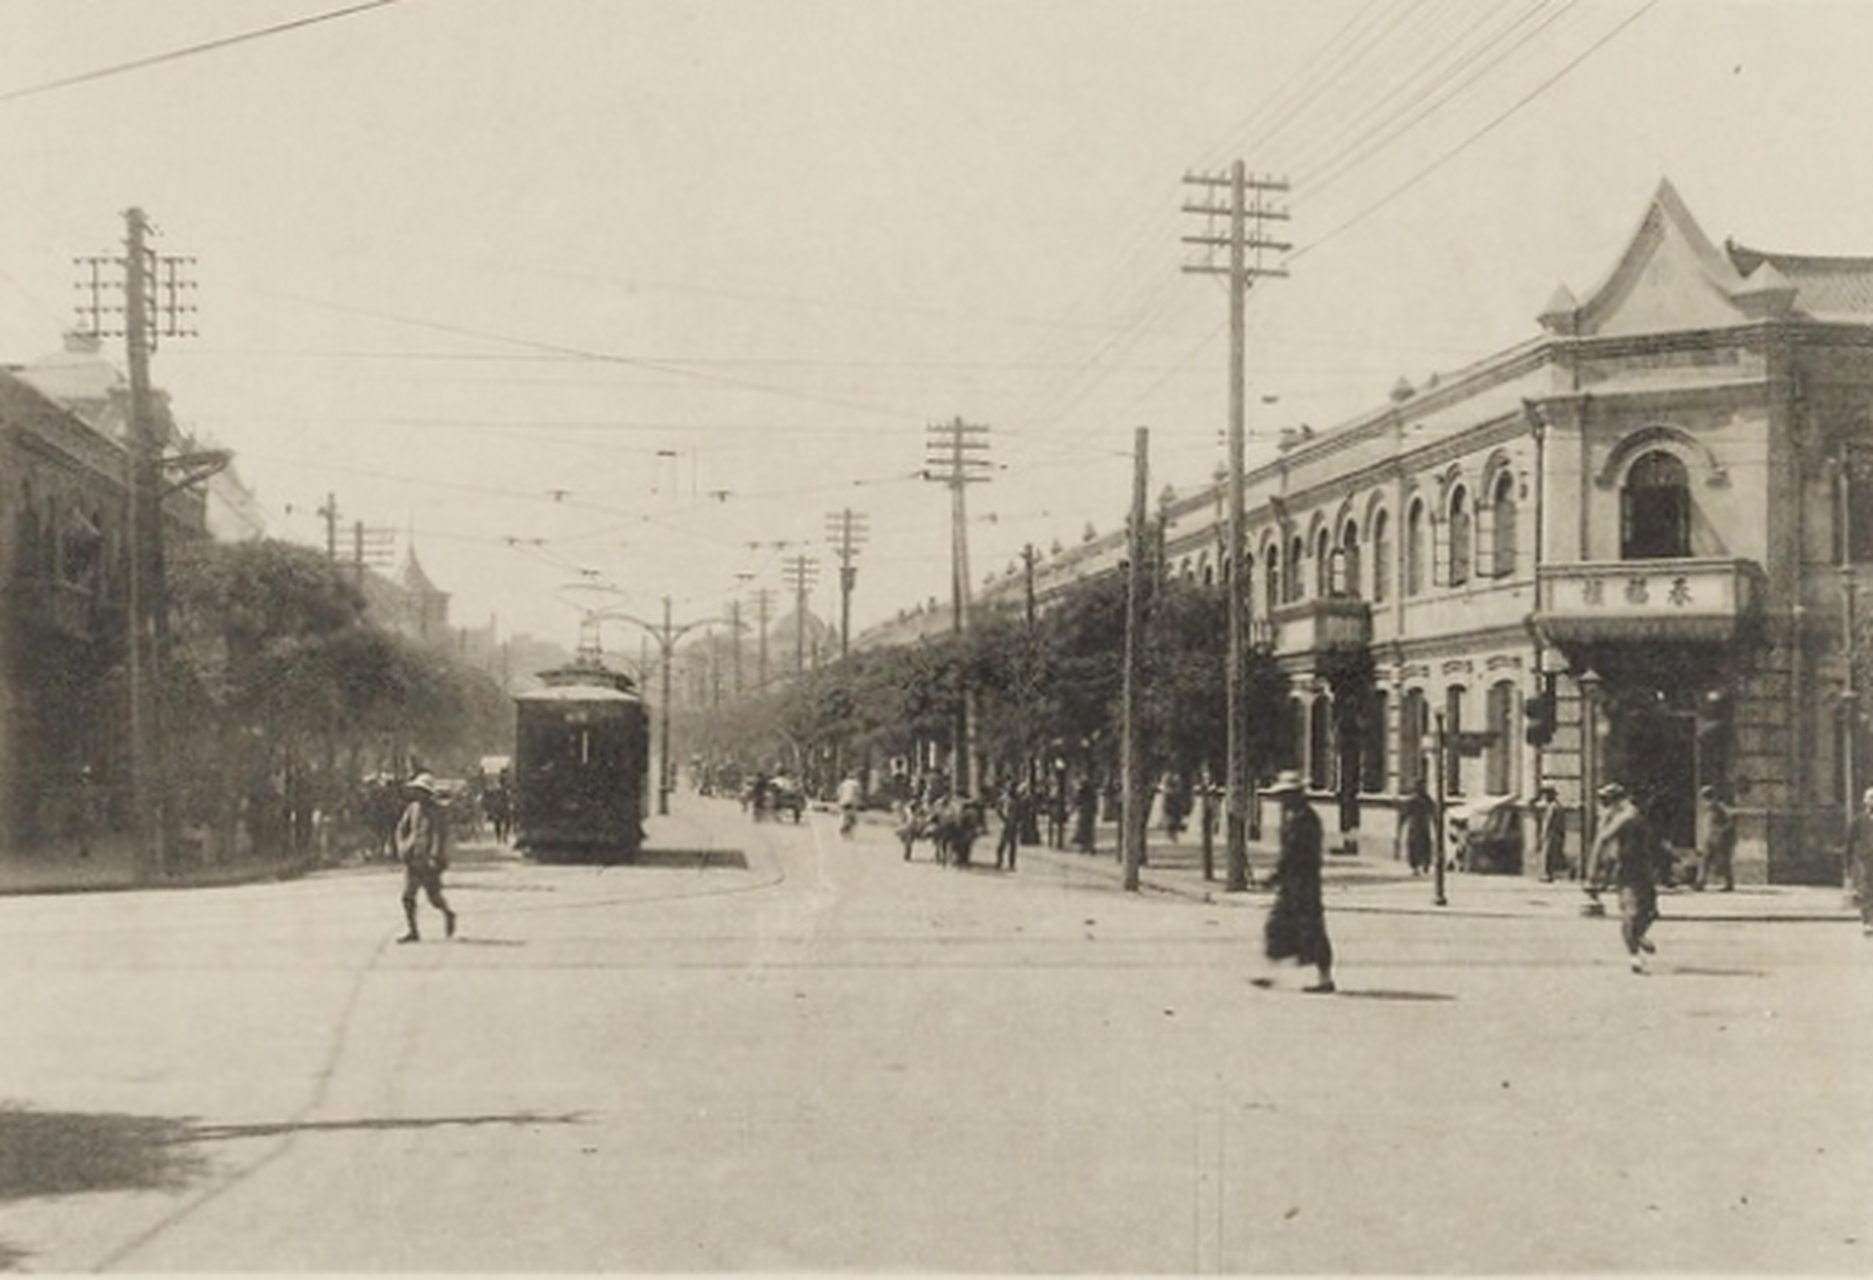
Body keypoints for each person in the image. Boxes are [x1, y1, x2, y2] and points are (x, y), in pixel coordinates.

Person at [1257, 770, 1335, 994]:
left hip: (1303, 883)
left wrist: (1275, 877)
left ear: (1296, 795)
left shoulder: (1304, 820)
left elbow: (1294, 855)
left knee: (1312, 930)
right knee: (1278, 927)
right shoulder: (1298, 817)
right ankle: (1269, 973)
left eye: (1286, 795)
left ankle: (1325, 979)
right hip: (1296, 882)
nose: (1282, 800)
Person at [1587, 783, 1666, 973]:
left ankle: (1637, 937)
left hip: (1642, 868)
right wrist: (1594, 874)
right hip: (1627, 869)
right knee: (1631, 912)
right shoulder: (1625, 817)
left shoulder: (1634, 816)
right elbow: (1603, 840)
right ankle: (1634, 956)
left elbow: (1649, 843)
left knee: (1651, 912)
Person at [394, 773, 456, 944]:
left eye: (421, 791)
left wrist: (435, 856)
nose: (418, 794)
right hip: (412, 857)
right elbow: (401, 828)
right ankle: (413, 931)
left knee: (433, 898)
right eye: (416, 790)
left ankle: (447, 913)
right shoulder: (412, 808)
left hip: (430, 861)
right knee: (407, 896)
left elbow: (439, 835)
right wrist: (402, 845)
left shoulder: (438, 811)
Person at [1694, 784, 1736, 892]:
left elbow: (1730, 821)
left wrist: (1722, 831)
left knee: (1723, 861)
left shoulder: (1720, 808)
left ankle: (1729, 883)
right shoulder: (1708, 809)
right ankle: (1700, 882)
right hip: (1710, 838)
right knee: (1705, 860)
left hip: (1720, 839)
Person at [1396, 778, 1437, 876]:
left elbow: (1434, 813)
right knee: (1415, 846)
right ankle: (1416, 867)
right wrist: (1400, 828)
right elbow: (1403, 815)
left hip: (1422, 826)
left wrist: (1436, 826)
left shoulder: (1427, 800)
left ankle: (1424, 865)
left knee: (1424, 846)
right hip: (1416, 826)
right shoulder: (1414, 801)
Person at [1848, 786, 1873, 937]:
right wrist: (1848, 866)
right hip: (1864, 861)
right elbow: (1849, 843)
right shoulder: (1858, 821)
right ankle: (1867, 922)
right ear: (1865, 802)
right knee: (1865, 891)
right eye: (1870, 798)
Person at [1534, 785, 1570, 882]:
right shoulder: (1555, 806)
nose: (1545, 797)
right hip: (1555, 833)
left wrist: (1543, 834)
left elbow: (1549, 822)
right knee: (1550, 854)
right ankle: (1547, 874)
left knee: (1548, 854)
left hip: (1551, 833)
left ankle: (1547, 874)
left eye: (1546, 794)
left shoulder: (1553, 807)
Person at [995, 783, 1030, 872]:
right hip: (1007, 824)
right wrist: (1003, 819)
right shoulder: (1005, 799)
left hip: (1012, 824)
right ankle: (1000, 862)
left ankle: (1010, 863)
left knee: (1012, 845)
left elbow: (1021, 812)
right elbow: (998, 809)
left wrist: (1019, 822)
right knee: (1003, 845)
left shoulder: (1017, 800)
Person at [835, 772, 863, 837]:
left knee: (844, 815)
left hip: (843, 802)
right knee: (853, 818)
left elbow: (838, 792)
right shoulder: (856, 784)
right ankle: (849, 831)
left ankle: (843, 827)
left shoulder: (844, 783)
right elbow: (859, 793)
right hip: (852, 802)